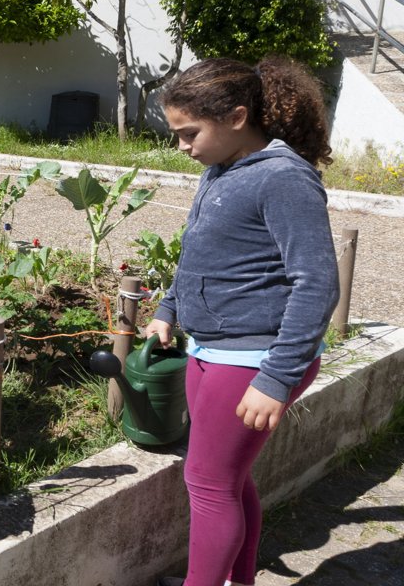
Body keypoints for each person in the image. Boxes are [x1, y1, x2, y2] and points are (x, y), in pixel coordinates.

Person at [145, 56, 339, 586]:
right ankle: (239, 579)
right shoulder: (220, 169)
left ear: (235, 117)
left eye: (189, 133)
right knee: (226, 479)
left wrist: (275, 378)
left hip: (255, 359)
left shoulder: (284, 178)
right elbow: (197, 253)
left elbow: (317, 284)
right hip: (212, 350)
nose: (182, 146)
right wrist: (168, 310)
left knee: (207, 482)